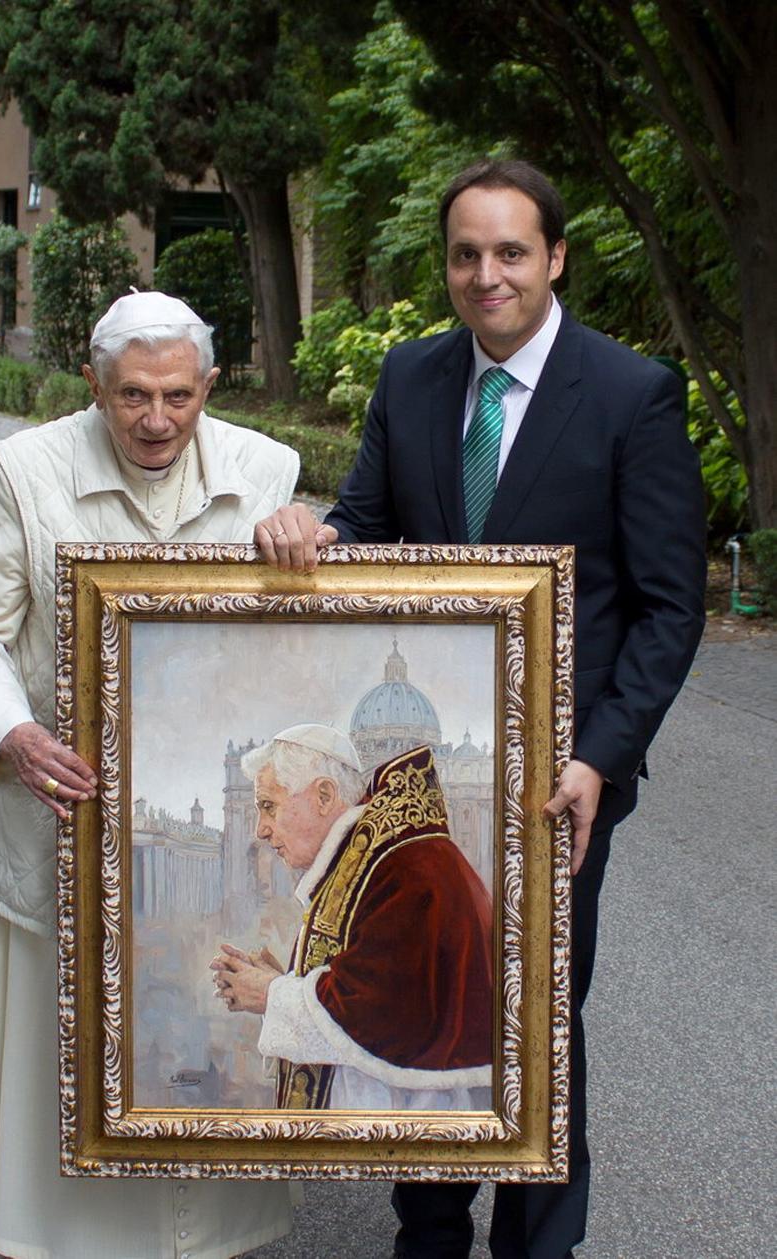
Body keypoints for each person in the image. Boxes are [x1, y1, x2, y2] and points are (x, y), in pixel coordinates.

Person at [253, 159, 708, 1258]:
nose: (486, 273)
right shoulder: (410, 380)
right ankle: (432, 1230)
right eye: (466, 253)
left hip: (564, 784)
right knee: (430, 994)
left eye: (511, 252)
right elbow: (365, 522)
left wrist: (603, 755)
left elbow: (667, 606)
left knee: (539, 1009)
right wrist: (311, 528)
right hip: (426, 784)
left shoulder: (630, 392)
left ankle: (539, 1244)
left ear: (554, 258)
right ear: (448, 265)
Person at [0, 290, 301, 1259]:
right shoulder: (25, 468)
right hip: (61, 810)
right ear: (95, 385)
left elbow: (295, 642)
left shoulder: (269, 469)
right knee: (65, 1047)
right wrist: (13, 730)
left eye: (179, 396)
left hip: (195, 815)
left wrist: (306, 546)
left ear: (209, 387)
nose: (155, 420)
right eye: (131, 395)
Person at [211, 725, 493, 1112]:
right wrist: (283, 983)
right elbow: (360, 980)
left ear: (324, 795)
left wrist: (271, 995)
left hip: (426, 1120)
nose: (260, 829)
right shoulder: (372, 857)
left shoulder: (404, 868)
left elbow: (374, 1012)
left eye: (269, 806)